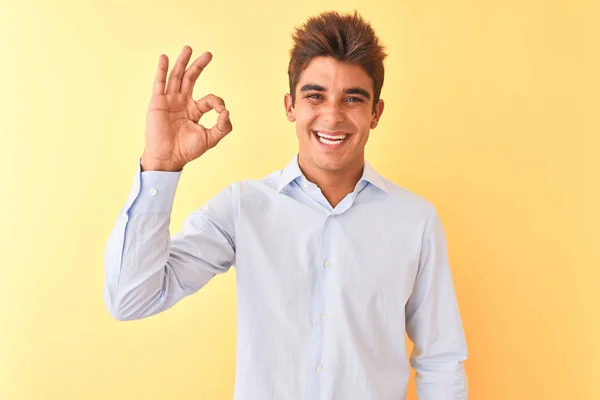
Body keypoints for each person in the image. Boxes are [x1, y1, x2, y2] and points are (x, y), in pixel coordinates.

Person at [104, 10, 468, 400]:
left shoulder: (416, 222)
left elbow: (440, 361)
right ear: (290, 106)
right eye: (315, 95)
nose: (332, 116)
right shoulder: (244, 208)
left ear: (375, 113)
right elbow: (131, 299)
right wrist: (159, 165)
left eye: (353, 98)